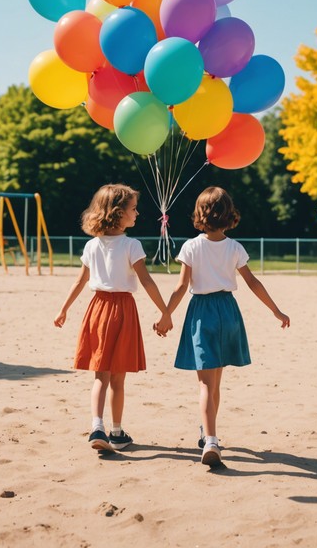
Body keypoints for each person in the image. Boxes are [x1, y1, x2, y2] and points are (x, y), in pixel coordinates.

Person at [162, 186, 290, 466]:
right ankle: (209, 431)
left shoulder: (191, 246)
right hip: (228, 312)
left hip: (201, 313)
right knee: (215, 383)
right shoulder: (235, 247)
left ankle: (210, 441)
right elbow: (252, 282)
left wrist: (165, 315)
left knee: (205, 385)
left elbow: (182, 286)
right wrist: (276, 310)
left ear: (199, 214)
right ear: (229, 214)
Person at [54, 184, 172, 453]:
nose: (138, 213)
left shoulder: (91, 245)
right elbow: (146, 280)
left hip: (96, 310)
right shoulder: (132, 245)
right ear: (118, 213)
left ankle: (97, 426)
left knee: (100, 377)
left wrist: (64, 309)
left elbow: (80, 281)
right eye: (133, 209)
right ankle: (116, 432)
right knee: (118, 379)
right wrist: (164, 311)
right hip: (122, 311)